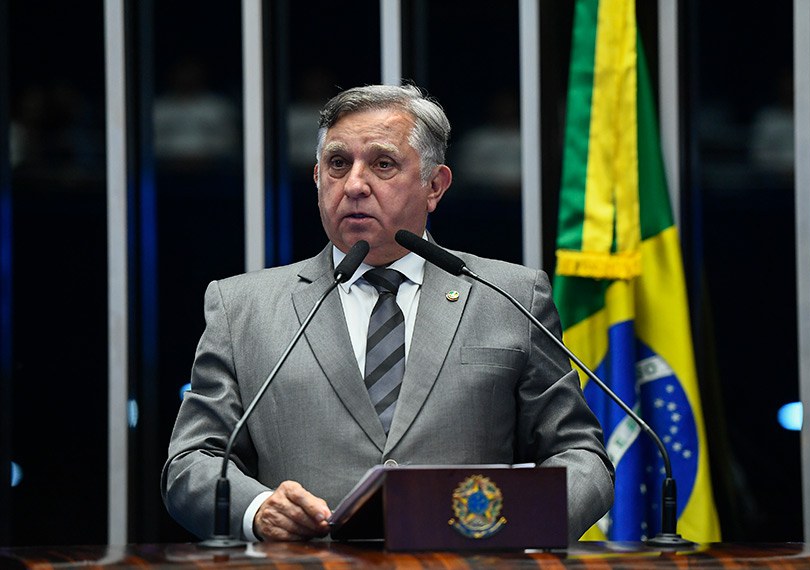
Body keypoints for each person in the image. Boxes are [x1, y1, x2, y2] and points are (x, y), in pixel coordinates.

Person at [161, 84, 614, 544]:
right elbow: (191, 462)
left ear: (435, 185)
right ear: (317, 178)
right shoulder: (243, 308)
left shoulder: (509, 295)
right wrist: (258, 511)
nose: (355, 184)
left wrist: (519, 528)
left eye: (382, 164)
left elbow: (581, 455)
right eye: (338, 164)